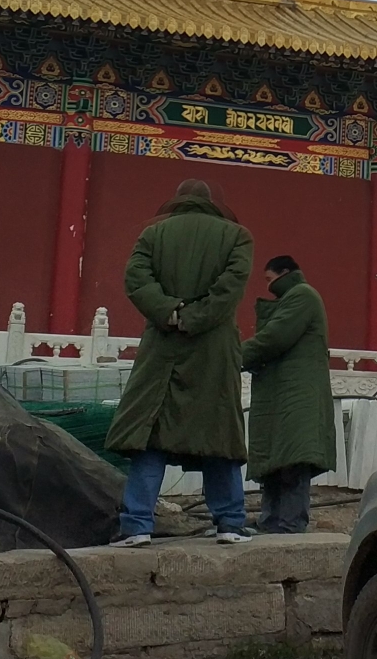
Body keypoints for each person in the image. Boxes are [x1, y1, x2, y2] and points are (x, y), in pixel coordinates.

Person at [104, 178, 255, 546]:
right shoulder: (238, 237)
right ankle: (230, 524)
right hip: (214, 348)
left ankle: (137, 524)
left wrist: (171, 313)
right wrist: (197, 317)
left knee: (150, 435)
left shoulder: (153, 235)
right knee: (219, 433)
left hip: (162, 345)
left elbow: (136, 279)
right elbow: (230, 287)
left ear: (177, 202)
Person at [241, 255, 336, 534]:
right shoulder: (295, 298)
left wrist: (232, 356)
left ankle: (291, 522)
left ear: (285, 273)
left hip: (297, 395)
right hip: (282, 393)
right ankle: (270, 521)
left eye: (270, 279)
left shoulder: (302, 297)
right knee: (275, 461)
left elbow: (274, 336)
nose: (267, 286)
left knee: (294, 460)